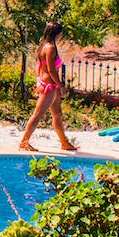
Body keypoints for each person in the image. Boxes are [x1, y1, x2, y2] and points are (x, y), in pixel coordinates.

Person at [19, 22, 77, 152]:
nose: (62, 34)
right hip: (50, 85)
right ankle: (24, 141)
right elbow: (51, 70)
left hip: (50, 84)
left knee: (57, 114)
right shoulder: (50, 48)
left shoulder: (43, 46)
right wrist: (60, 85)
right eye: (61, 32)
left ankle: (64, 143)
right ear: (57, 33)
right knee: (37, 115)